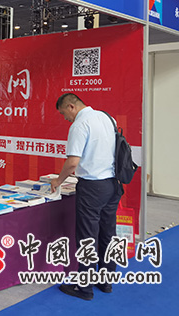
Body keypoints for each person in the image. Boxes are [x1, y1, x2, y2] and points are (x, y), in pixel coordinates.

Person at [51, 93, 123, 300]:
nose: (65, 118)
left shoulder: (79, 125)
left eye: (64, 113)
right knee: (108, 234)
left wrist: (58, 180)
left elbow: (73, 162)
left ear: (71, 107)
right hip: (113, 184)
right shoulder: (107, 118)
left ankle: (84, 288)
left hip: (92, 187)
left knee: (87, 237)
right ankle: (106, 281)